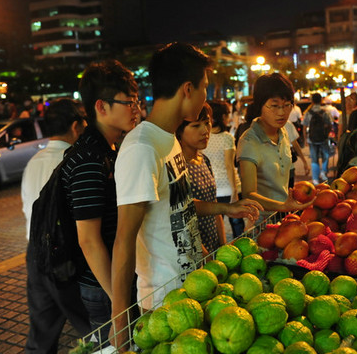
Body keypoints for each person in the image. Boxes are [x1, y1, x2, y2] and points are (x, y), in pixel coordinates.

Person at [111, 43, 262, 348]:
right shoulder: (142, 148)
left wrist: (226, 209)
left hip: (193, 288)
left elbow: (176, 205)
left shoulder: (169, 140)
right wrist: (120, 328)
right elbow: (124, 239)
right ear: (188, 89)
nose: (208, 95)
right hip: (164, 304)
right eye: (205, 87)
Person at [58, 59, 140, 345]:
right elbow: (89, 241)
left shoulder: (110, 149)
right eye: (128, 102)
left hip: (116, 282)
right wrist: (119, 304)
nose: (136, 109)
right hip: (102, 287)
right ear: (101, 107)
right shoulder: (88, 160)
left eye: (137, 100)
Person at [23, 99, 91, 353]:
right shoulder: (73, 162)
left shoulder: (34, 162)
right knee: (95, 327)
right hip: (66, 259)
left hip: (36, 256)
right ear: (76, 126)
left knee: (41, 336)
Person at [237, 73, 314, 216]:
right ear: (260, 105)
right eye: (274, 106)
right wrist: (283, 206)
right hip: (261, 223)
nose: (282, 112)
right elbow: (249, 194)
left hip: (285, 218)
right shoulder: (249, 141)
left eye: (286, 105)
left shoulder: (283, 132)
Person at [22, 98, 86, 240]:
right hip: (67, 253)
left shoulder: (32, 163)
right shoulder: (76, 162)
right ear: (75, 127)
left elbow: (27, 208)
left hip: (36, 250)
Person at [177, 103, 226, 253]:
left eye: (207, 123)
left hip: (213, 246)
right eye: (196, 125)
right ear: (179, 131)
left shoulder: (204, 160)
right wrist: (205, 256)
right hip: (193, 251)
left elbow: (214, 205)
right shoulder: (177, 166)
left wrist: (223, 245)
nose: (205, 131)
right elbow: (183, 216)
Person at [203, 100, 243, 239]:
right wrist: (234, 192)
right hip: (227, 188)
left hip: (210, 188)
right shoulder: (227, 138)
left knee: (215, 227)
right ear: (223, 117)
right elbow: (229, 166)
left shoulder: (203, 138)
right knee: (236, 223)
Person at [303, 93, 333, 185]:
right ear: (321, 100)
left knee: (314, 158)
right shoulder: (325, 112)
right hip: (323, 138)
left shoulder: (308, 113)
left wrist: (305, 139)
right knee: (326, 155)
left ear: (312, 101)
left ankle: (315, 178)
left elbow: (304, 127)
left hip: (312, 139)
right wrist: (326, 134)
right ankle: (323, 172)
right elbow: (330, 124)